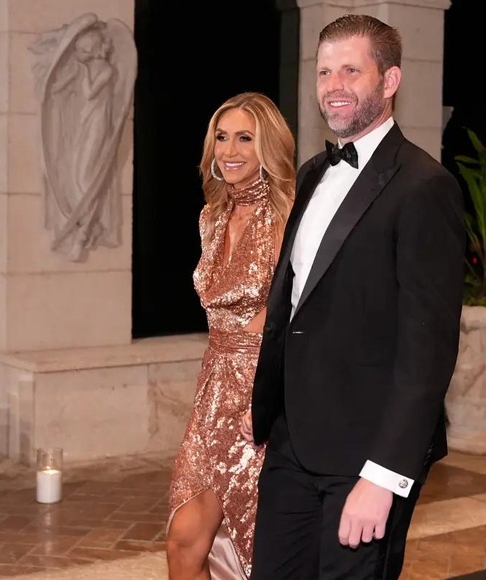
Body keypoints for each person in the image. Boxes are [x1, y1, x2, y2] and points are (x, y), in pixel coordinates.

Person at [243, 14, 465, 580]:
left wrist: (383, 476)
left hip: (366, 455)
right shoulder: (313, 174)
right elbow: (294, 303)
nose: (333, 85)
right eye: (324, 72)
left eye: (350, 70)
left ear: (389, 81)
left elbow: (428, 350)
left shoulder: (425, 187)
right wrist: (266, 412)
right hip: (292, 445)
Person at [166, 92, 296, 580]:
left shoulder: (285, 218)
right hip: (212, 389)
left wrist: (265, 401)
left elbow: (291, 311)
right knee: (184, 540)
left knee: (251, 546)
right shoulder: (211, 217)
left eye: (245, 138)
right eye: (222, 137)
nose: (230, 150)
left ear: (268, 147)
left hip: (257, 390)